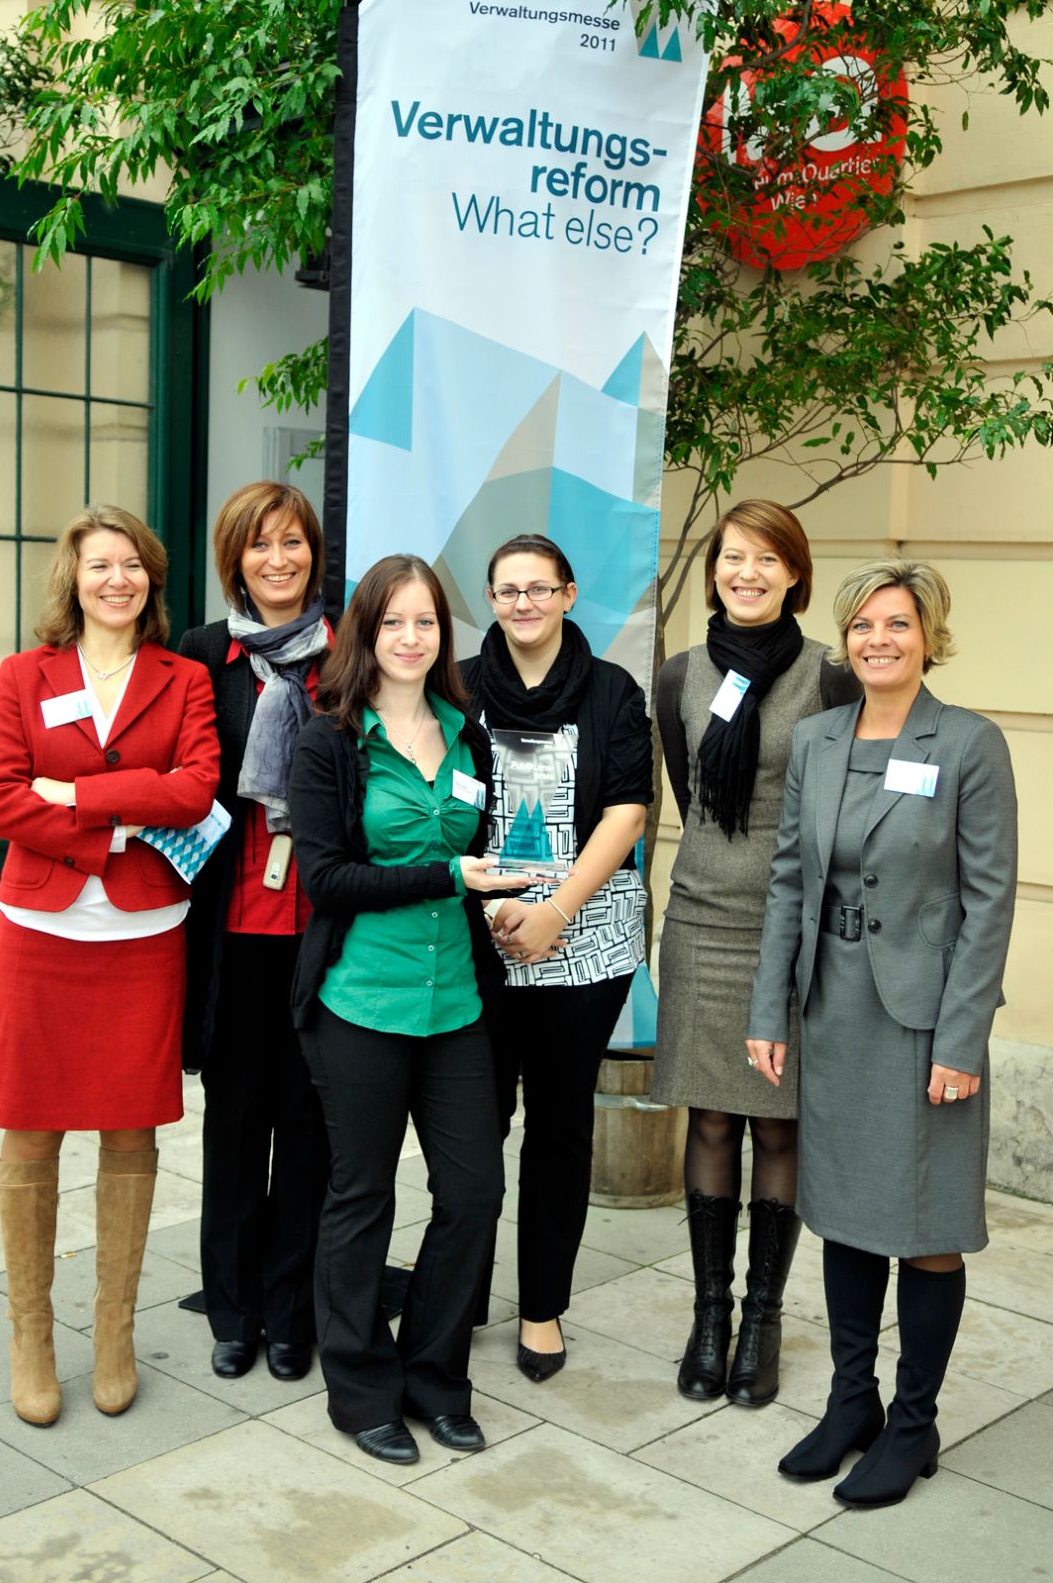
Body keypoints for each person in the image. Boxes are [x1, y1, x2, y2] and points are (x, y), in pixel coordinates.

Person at [748, 559, 1017, 1507]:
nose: (876, 640)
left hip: (922, 1018)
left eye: (896, 625)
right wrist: (766, 1009)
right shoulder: (819, 740)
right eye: (861, 625)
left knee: (927, 1223)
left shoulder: (970, 744)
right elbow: (788, 881)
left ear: (926, 636)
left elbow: (987, 907)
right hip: (833, 1009)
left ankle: (913, 1422)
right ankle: (850, 1401)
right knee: (849, 1211)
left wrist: (959, 1040)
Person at [0, 505, 219, 1425]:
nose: (115, 579)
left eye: (132, 565)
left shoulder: (184, 678)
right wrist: (118, 824)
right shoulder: (22, 675)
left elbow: (193, 788)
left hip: (142, 938)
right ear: (71, 579)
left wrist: (75, 794)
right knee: (29, 1135)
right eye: (98, 565)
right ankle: (30, 1333)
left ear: (152, 580)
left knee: (129, 1134)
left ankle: (112, 1328)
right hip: (39, 933)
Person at [288, 554, 522, 1465]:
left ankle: (435, 1378)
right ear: (365, 633)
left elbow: (480, 855)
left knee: (471, 1193)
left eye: (426, 622)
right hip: (361, 1003)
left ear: (443, 635)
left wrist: (494, 896)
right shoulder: (330, 740)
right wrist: (447, 875)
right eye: (394, 623)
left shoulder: (470, 738)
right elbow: (324, 878)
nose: (411, 638)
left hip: (457, 1003)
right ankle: (361, 1391)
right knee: (362, 1196)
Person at [652, 501, 858, 1407]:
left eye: (766, 559)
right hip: (701, 919)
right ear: (714, 571)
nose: (747, 572)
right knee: (708, 1121)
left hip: (793, 929)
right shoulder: (677, 676)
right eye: (732, 557)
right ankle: (709, 1314)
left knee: (777, 1123)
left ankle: (763, 1320)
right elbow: (686, 789)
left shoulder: (830, 677)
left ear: (794, 575)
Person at [460, 533, 653, 1382]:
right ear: (491, 599)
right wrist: (500, 907)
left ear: (569, 595)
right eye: (508, 590)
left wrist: (554, 910)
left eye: (541, 589)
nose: (524, 603)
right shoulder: (457, 688)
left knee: (558, 1127)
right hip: (475, 933)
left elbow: (627, 810)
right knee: (470, 1125)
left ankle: (541, 1309)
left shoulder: (612, 690)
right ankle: (459, 1294)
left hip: (586, 934)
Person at [179, 481, 330, 1383]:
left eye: (292, 543)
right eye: (258, 546)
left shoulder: (349, 651)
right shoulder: (201, 655)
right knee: (233, 1127)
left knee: (310, 1126)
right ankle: (232, 1309)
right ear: (233, 559)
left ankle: (290, 1309)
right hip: (232, 931)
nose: (277, 560)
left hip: (322, 930)